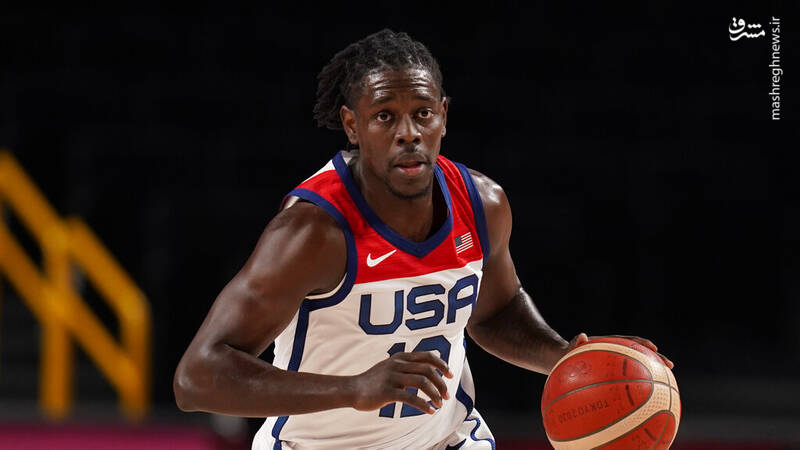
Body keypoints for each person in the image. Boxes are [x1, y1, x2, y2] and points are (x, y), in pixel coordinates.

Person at [173, 29, 673, 449]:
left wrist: (572, 361)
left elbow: (495, 311)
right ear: (351, 125)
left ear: (444, 116)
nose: (408, 132)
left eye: (423, 113)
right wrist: (354, 388)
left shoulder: (482, 203)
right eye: (385, 116)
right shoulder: (312, 232)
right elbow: (196, 378)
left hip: (445, 438)